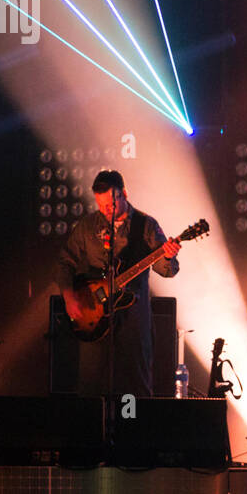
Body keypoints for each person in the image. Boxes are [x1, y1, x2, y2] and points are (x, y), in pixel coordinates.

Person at [55, 170, 180, 398]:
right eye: (100, 205)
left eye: (110, 203)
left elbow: (166, 270)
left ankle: (134, 430)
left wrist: (168, 257)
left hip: (133, 316)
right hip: (94, 313)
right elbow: (65, 262)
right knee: (90, 384)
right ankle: (94, 432)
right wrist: (69, 296)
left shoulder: (147, 225)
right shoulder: (88, 225)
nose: (106, 210)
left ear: (124, 194)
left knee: (136, 385)